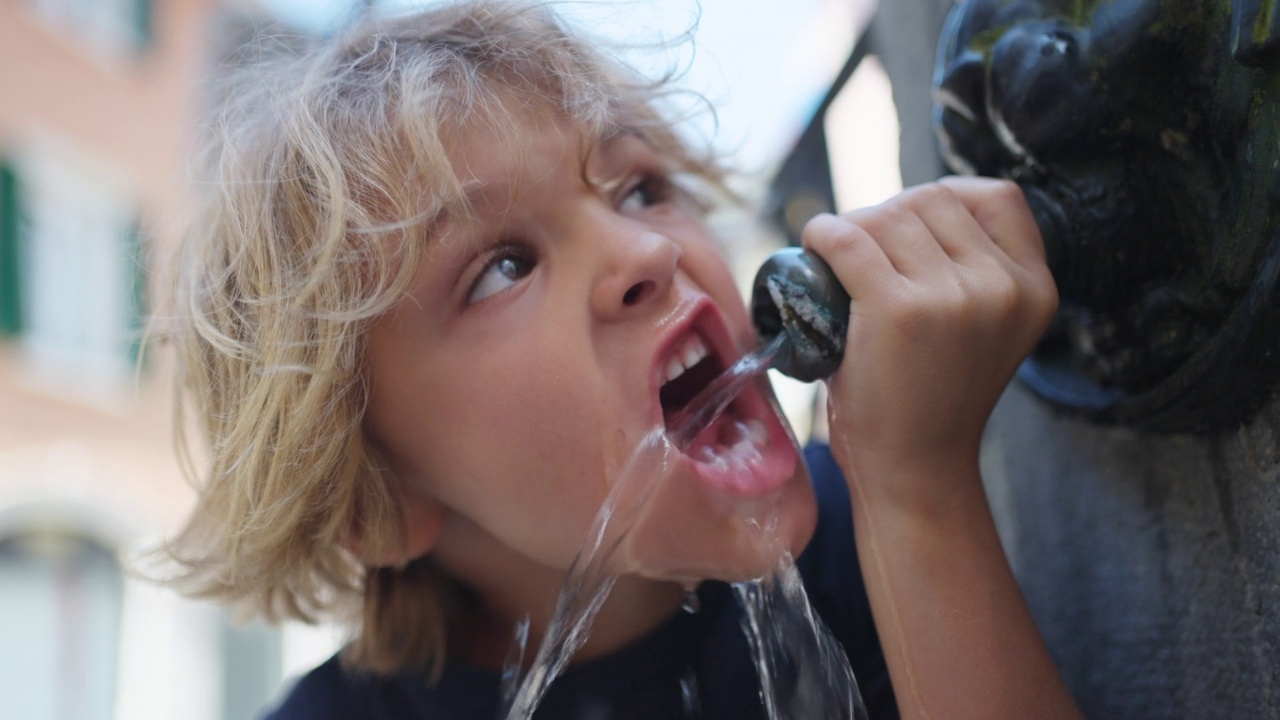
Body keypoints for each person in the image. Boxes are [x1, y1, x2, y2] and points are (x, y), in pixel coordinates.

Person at [160, 1, 1082, 718]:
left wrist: (918, 490)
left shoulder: (872, 539)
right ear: (380, 492)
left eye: (640, 187)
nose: (646, 253)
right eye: (502, 268)